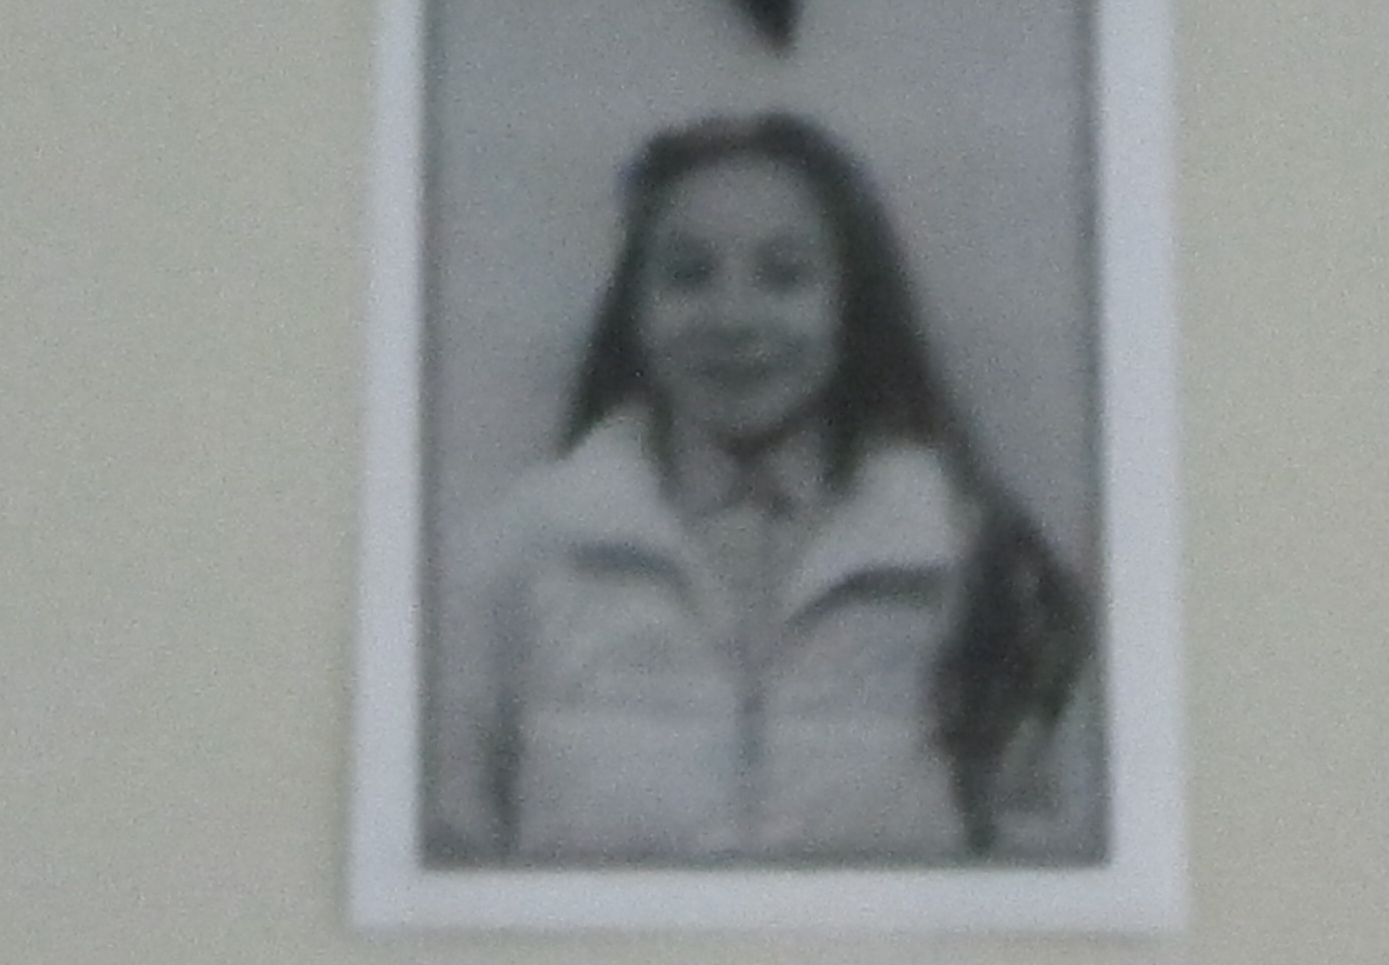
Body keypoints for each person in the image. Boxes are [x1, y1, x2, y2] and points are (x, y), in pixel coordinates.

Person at [429, 112, 1095, 865]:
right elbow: (450, 858)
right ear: (635, 308)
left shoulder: (974, 560)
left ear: (850, 305)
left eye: (784, 277)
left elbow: (1043, 876)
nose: (733, 318)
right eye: (688, 276)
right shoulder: (517, 554)